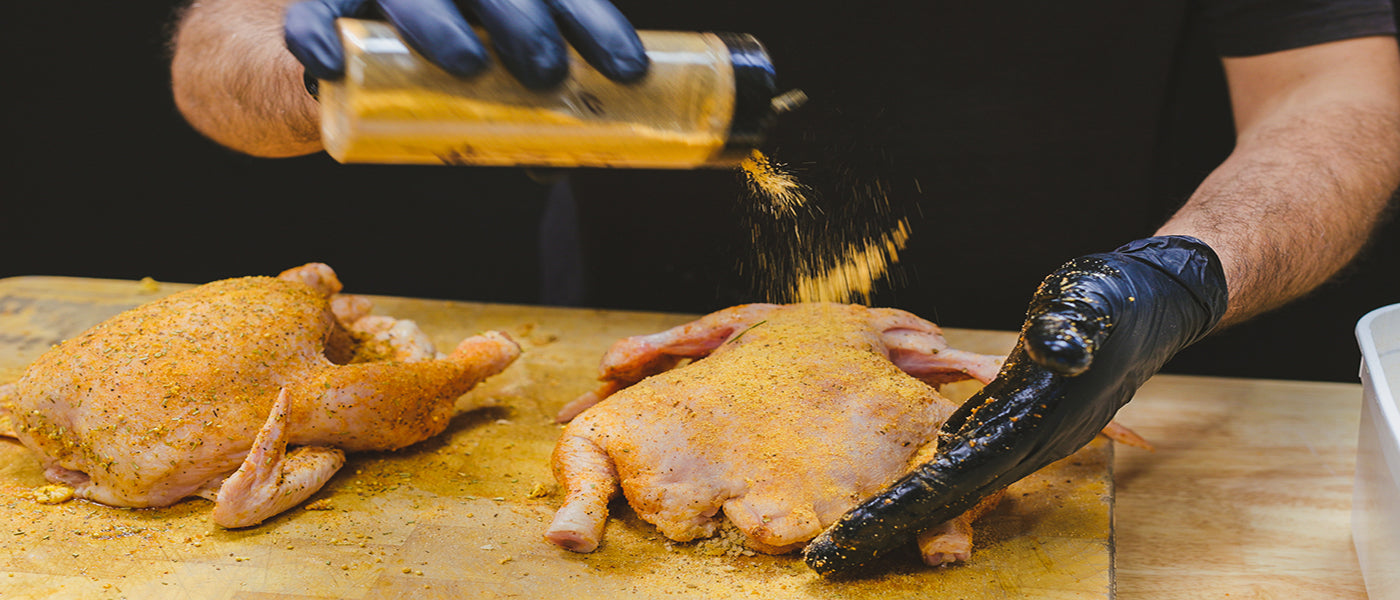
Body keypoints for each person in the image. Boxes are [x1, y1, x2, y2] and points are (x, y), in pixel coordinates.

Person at [168, 0, 1400, 574]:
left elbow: (1332, 91)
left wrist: (1178, 279)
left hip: (1051, 345)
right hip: (632, 351)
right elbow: (213, 63)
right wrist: (311, 50)